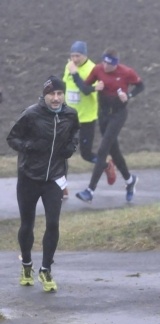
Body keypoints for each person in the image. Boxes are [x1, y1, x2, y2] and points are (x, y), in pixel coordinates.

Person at [6, 76, 79, 292]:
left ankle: (46, 270)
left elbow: (75, 131)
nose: (56, 98)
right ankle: (26, 265)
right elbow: (12, 138)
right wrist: (28, 146)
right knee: (27, 224)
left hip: (54, 179)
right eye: (51, 94)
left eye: (59, 94)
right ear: (44, 95)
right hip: (29, 177)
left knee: (53, 224)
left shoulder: (70, 114)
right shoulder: (31, 114)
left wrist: (71, 146)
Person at [69, 48, 143, 203]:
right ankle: (130, 181)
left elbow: (141, 86)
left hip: (118, 114)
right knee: (114, 151)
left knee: (103, 149)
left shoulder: (126, 72)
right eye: (104, 62)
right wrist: (88, 83)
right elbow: (85, 89)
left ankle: (90, 191)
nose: (105, 66)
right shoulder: (98, 70)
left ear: (116, 64)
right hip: (103, 115)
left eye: (109, 64)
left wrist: (128, 96)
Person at [63, 40, 117, 201]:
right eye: (72, 55)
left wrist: (74, 73)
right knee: (61, 152)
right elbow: (65, 86)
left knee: (86, 155)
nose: (74, 58)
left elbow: (86, 90)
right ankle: (61, 187)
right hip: (69, 118)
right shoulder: (69, 66)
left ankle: (107, 164)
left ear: (85, 55)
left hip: (86, 118)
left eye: (77, 55)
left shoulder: (93, 69)